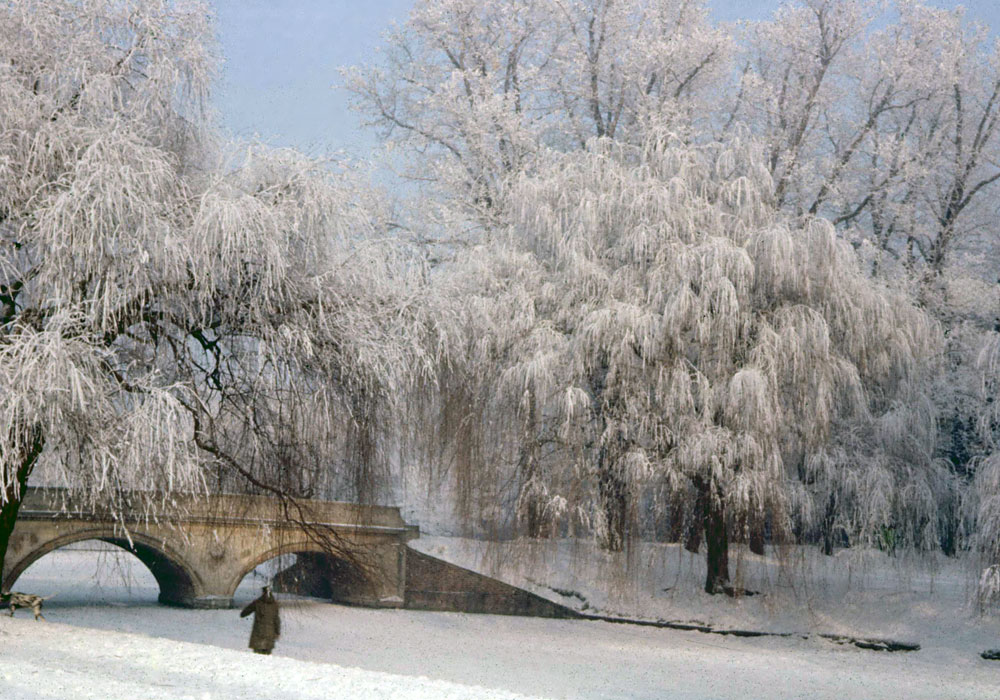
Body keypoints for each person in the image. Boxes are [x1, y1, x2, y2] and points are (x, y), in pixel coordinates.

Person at [240, 585, 281, 655]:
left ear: (263, 592)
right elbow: (276, 620)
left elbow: (244, 613)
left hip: (258, 634)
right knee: (266, 659)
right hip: (270, 635)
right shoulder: (275, 605)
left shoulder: (257, 603)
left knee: (257, 658)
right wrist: (277, 632)